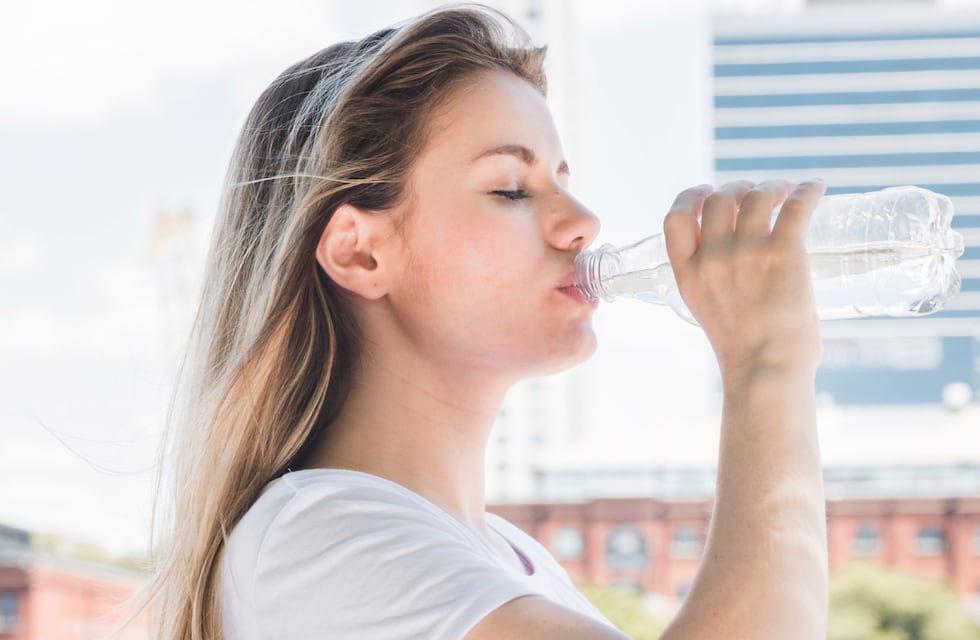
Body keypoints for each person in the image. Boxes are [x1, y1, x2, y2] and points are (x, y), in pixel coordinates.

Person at [144, 5, 828, 639]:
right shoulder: (322, 537)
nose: (583, 222)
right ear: (359, 251)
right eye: (510, 188)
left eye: (562, 180)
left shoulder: (509, 559)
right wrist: (767, 365)